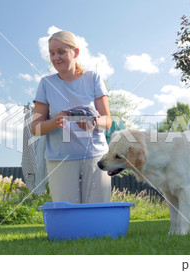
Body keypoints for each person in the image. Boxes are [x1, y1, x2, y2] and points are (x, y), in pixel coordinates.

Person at [31, 30, 112, 203]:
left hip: (95, 157)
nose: (55, 58)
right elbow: (35, 128)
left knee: (96, 218)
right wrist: (55, 122)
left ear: (75, 52)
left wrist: (94, 121)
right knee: (67, 217)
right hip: (60, 160)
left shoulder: (93, 78)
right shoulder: (46, 84)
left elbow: (108, 121)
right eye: (52, 53)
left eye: (61, 52)